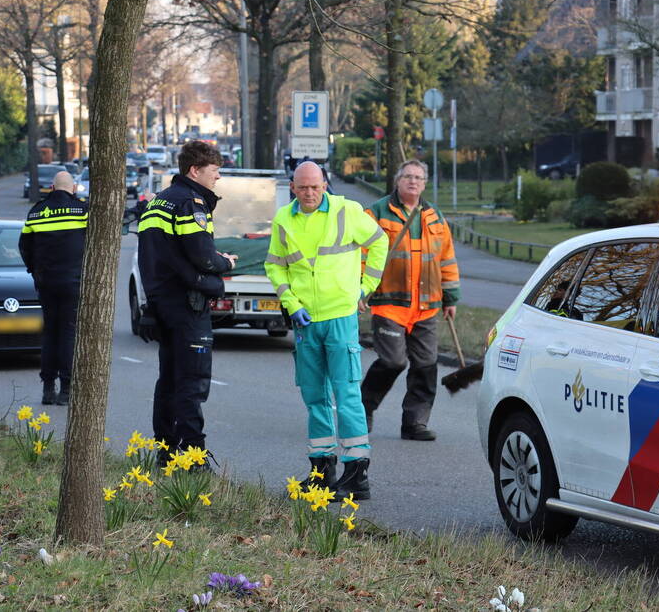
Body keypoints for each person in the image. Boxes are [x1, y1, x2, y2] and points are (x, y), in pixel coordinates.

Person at [264, 161, 388, 499]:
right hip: (305, 320)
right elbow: (274, 266)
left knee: (346, 395)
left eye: (314, 187)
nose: (309, 193)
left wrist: (366, 288)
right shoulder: (283, 219)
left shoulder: (346, 211)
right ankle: (321, 470)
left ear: (324, 185)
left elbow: (380, 242)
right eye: (303, 187)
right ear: (293, 187)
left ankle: (356, 474)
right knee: (314, 396)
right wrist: (291, 303)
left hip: (340, 317)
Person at [137, 140, 237, 465]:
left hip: (161, 304)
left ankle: (166, 453)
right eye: (214, 170)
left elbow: (162, 255)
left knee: (168, 380)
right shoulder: (190, 203)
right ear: (195, 170)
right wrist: (225, 263)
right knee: (192, 382)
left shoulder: (158, 202)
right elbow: (202, 256)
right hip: (187, 305)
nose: (217, 177)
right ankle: (194, 458)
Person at [359, 160, 461, 441]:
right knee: (392, 361)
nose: (413, 181)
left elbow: (446, 258)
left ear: (424, 183)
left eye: (418, 177)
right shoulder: (376, 212)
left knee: (426, 365)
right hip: (389, 303)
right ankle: (363, 409)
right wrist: (361, 289)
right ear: (397, 180)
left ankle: (415, 423)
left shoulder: (435, 216)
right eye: (407, 177)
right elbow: (361, 254)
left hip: (426, 306)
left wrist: (450, 297)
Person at [18, 170, 88, 406]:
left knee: (50, 332)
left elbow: (24, 246)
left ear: (52, 187)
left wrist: (35, 271)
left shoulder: (37, 211)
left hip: (46, 282)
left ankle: (48, 388)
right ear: (74, 188)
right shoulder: (82, 210)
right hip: (73, 281)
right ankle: (66, 389)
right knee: (68, 332)